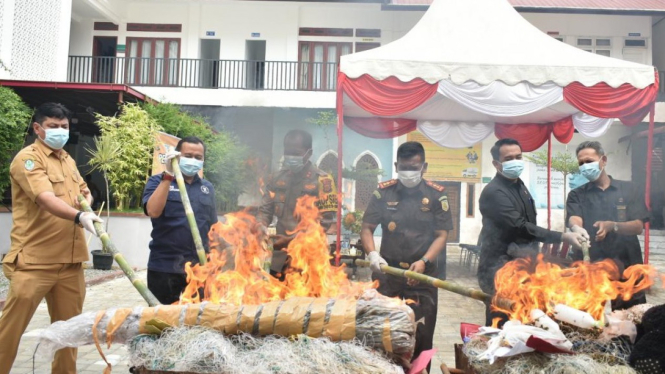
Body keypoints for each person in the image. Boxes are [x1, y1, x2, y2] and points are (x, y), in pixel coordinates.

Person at [0, 103, 102, 374]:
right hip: (35, 262)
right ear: (38, 128)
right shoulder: (28, 159)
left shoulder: (67, 159)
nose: (60, 131)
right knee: (9, 333)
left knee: (70, 335)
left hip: (70, 263)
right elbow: (45, 198)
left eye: (64, 127)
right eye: (53, 127)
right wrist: (79, 217)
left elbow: (83, 191)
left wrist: (86, 203)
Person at [361, 141, 453, 371]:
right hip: (388, 276)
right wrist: (373, 254)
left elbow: (442, 235)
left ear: (424, 166)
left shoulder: (436, 195)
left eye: (414, 167)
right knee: (382, 335)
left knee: (420, 336)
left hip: (422, 279)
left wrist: (424, 262)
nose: (409, 172)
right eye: (404, 167)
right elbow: (367, 228)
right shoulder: (383, 192)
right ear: (396, 165)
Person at [478, 138, 586, 326]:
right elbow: (520, 226)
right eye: (509, 158)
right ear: (496, 164)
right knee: (502, 318)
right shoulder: (494, 192)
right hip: (501, 268)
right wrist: (562, 236)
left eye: (518, 156)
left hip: (522, 264)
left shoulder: (518, 184)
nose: (515, 161)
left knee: (523, 317)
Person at [566, 141, 649, 309]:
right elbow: (575, 218)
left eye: (589, 161)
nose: (585, 166)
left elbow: (638, 226)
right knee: (586, 315)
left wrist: (613, 225)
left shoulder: (630, 189)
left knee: (631, 313)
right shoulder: (577, 194)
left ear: (603, 160)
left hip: (626, 262)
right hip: (590, 260)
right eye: (581, 163)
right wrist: (576, 228)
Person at [143, 136, 218, 305]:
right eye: (188, 155)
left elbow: (213, 228)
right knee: (163, 322)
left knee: (197, 321)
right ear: (177, 155)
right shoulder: (158, 181)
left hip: (198, 268)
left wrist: (214, 263)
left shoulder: (207, 188)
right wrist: (169, 175)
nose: (193, 160)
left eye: (198, 158)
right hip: (164, 267)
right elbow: (153, 211)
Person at [257, 129, 337, 277]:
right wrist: (261, 226)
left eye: (296, 153)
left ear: (309, 153)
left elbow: (324, 222)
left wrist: (291, 239)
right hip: (280, 257)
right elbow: (265, 210)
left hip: (309, 256)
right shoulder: (276, 178)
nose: (291, 156)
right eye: (288, 152)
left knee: (306, 299)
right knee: (275, 296)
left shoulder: (323, 180)